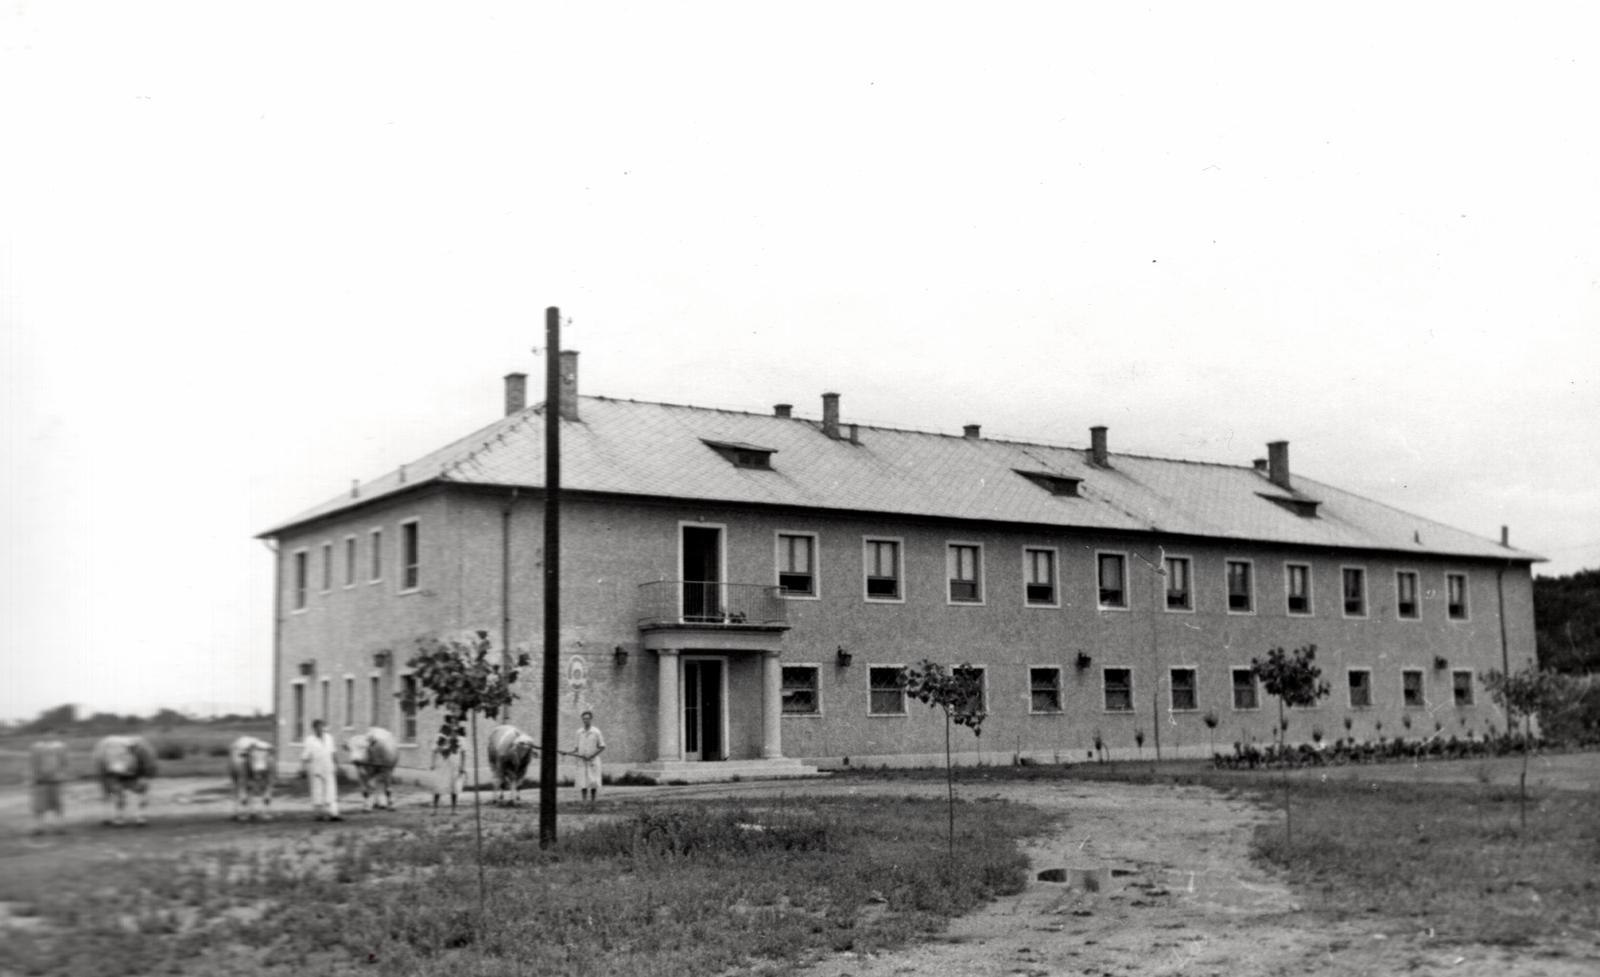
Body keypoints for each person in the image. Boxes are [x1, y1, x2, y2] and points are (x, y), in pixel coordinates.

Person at [26, 730, 71, 835]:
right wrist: (33, 777)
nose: (49, 736)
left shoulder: (61, 747)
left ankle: (60, 826)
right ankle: (38, 827)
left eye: (51, 734)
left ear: (55, 735)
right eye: (46, 734)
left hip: (56, 780)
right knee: (39, 806)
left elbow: (65, 762)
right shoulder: (36, 747)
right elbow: (32, 763)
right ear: (42, 735)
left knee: (58, 804)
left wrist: (62, 775)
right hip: (41, 780)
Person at [300, 719, 343, 821]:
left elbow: (333, 752)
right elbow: (306, 755)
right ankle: (319, 814)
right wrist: (303, 767)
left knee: (331, 791)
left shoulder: (329, 738)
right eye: (318, 727)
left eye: (322, 727)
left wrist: (337, 765)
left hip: (328, 767)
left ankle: (333, 814)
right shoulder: (310, 740)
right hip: (316, 769)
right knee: (317, 792)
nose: (320, 729)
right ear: (314, 728)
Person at [573, 711, 606, 806]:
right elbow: (576, 748)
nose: (585, 721)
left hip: (593, 761)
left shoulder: (596, 732)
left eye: (587, 719)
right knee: (583, 781)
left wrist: (591, 755)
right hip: (582, 761)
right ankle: (584, 801)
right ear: (582, 719)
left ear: (591, 719)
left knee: (593, 781)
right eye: (584, 719)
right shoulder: (579, 732)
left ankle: (593, 801)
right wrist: (566, 752)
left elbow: (602, 746)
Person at [429, 743, 465, 811]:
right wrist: (433, 763)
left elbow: (460, 751)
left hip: (452, 766)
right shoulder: (441, 740)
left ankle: (454, 810)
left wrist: (461, 767)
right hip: (442, 767)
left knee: (454, 789)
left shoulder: (455, 740)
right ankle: (435, 809)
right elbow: (435, 749)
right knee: (438, 787)